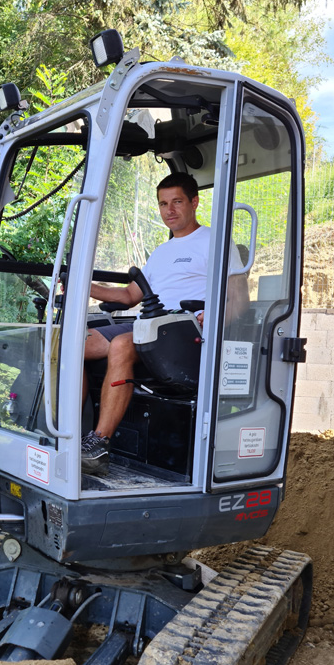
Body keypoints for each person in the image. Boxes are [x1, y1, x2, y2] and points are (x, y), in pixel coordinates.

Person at [80, 171, 248, 476]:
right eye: (163, 203)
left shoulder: (216, 241)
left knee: (121, 344)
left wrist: (213, 316)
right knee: (73, 343)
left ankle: (98, 444)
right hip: (150, 324)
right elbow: (129, 296)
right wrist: (83, 285)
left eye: (177, 202)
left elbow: (239, 299)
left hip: (184, 330)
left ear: (194, 202)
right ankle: (68, 432)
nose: (169, 210)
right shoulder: (162, 251)